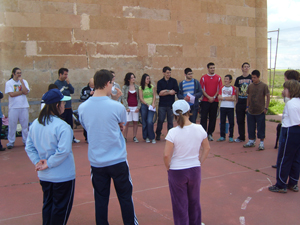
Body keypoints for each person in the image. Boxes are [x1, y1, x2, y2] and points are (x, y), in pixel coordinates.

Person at [78, 69, 138, 225]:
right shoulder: (116, 107)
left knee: (100, 199)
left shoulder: (83, 108)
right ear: (107, 83)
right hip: (117, 160)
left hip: (97, 162)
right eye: (111, 83)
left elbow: (87, 126)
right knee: (125, 197)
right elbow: (122, 124)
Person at [25, 88, 75, 225]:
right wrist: (49, 163)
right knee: (60, 209)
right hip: (62, 176)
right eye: (62, 103)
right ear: (56, 105)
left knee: (48, 205)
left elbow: (29, 146)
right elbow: (63, 151)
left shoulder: (35, 124)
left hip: (45, 176)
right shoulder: (63, 126)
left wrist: (38, 162)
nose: (64, 105)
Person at [163, 100, 210, 225]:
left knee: (180, 203)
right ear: (189, 111)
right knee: (194, 200)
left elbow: (166, 154)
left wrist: (169, 167)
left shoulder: (173, 132)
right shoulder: (199, 128)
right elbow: (207, 148)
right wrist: (199, 162)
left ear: (174, 115)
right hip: (194, 169)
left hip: (177, 171)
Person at [268, 80, 300, 193]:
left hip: (291, 130)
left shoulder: (291, 104)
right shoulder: (297, 101)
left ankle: (281, 184)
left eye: (285, 89)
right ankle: (293, 182)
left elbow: (296, 121)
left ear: (290, 90)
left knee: (284, 158)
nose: (283, 91)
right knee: (296, 158)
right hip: (295, 131)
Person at [272, 69, 300, 168]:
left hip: (290, 127)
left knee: (287, 152)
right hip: (289, 124)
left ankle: (282, 169)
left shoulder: (293, 99)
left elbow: (295, 119)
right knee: (293, 154)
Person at [243, 70, 270, 150]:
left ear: (258, 77)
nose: (253, 79)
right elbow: (248, 96)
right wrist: (247, 107)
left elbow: (268, 97)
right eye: (252, 77)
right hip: (251, 110)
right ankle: (251, 140)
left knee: (261, 127)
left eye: (254, 77)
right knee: (250, 126)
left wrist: (266, 108)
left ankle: (261, 142)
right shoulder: (250, 86)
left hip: (260, 110)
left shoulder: (264, 86)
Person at [5, 67, 30, 149]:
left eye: (20, 72)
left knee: (25, 125)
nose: (19, 74)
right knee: (12, 125)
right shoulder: (9, 83)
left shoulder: (24, 81)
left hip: (24, 106)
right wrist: (21, 92)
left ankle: (26, 141)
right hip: (14, 107)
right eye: (18, 73)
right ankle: (11, 141)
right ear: (13, 74)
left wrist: (22, 82)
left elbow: (26, 92)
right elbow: (11, 94)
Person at [54, 68, 80, 143]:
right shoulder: (57, 83)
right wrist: (66, 91)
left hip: (69, 106)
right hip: (62, 108)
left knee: (70, 124)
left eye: (67, 74)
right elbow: (62, 93)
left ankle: (72, 137)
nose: (66, 76)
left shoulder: (66, 83)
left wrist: (69, 84)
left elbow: (72, 91)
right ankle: (63, 139)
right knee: (62, 124)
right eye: (65, 74)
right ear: (60, 74)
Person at [199, 62, 223, 141]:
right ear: (208, 69)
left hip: (214, 101)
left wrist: (213, 97)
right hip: (205, 101)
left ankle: (210, 133)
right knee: (204, 117)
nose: (212, 69)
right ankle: (203, 134)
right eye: (211, 68)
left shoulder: (218, 78)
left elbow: (219, 88)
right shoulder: (203, 78)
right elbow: (202, 89)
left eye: (213, 67)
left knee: (213, 117)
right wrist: (208, 97)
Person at [156, 66, 179, 141]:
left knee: (170, 122)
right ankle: (158, 134)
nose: (169, 74)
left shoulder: (174, 81)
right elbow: (160, 93)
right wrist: (169, 91)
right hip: (162, 105)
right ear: (164, 73)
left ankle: (170, 136)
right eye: (167, 73)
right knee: (160, 120)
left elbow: (175, 91)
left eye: (170, 72)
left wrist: (165, 91)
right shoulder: (160, 82)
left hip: (171, 105)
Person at [234, 62, 252, 142]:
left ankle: (251, 138)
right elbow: (237, 90)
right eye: (244, 66)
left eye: (247, 66)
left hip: (249, 103)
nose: (246, 68)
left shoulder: (251, 78)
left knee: (250, 121)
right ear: (242, 68)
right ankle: (241, 136)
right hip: (240, 102)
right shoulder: (238, 79)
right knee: (240, 120)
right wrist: (237, 101)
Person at [121, 72, 141, 143]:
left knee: (135, 122)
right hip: (128, 107)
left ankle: (134, 136)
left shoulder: (137, 87)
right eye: (132, 78)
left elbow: (139, 98)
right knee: (127, 122)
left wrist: (138, 107)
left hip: (135, 107)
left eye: (134, 77)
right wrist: (126, 107)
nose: (133, 79)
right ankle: (125, 137)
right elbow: (123, 98)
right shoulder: (125, 87)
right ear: (128, 79)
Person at [217, 74, 236, 142]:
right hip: (223, 106)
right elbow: (219, 97)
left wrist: (223, 98)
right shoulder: (222, 88)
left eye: (227, 79)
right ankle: (222, 136)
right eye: (225, 79)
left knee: (231, 122)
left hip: (230, 107)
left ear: (230, 80)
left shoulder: (232, 88)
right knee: (222, 121)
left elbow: (233, 98)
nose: (225, 80)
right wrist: (228, 98)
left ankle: (231, 136)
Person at [139, 73, 156, 144]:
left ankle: (152, 137)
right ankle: (146, 137)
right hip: (144, 106)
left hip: (151, 107)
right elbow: (141, 98)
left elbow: (154, 95)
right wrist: (146, 104)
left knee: (149, 121)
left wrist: (153, 103)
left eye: (149, 79)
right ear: (144, 80)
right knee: (144, 122)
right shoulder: (141, 88)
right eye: (147, 79)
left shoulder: (151, 86)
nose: (148, 80)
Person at [80, 78, 95, 142]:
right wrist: (89, 94)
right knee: (87, 122)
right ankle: (87, 137)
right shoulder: (84, 89)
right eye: (91, 85)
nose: (93, 87)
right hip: (87, 108)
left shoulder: (98, 89)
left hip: (94, 108)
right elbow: (82, 97)